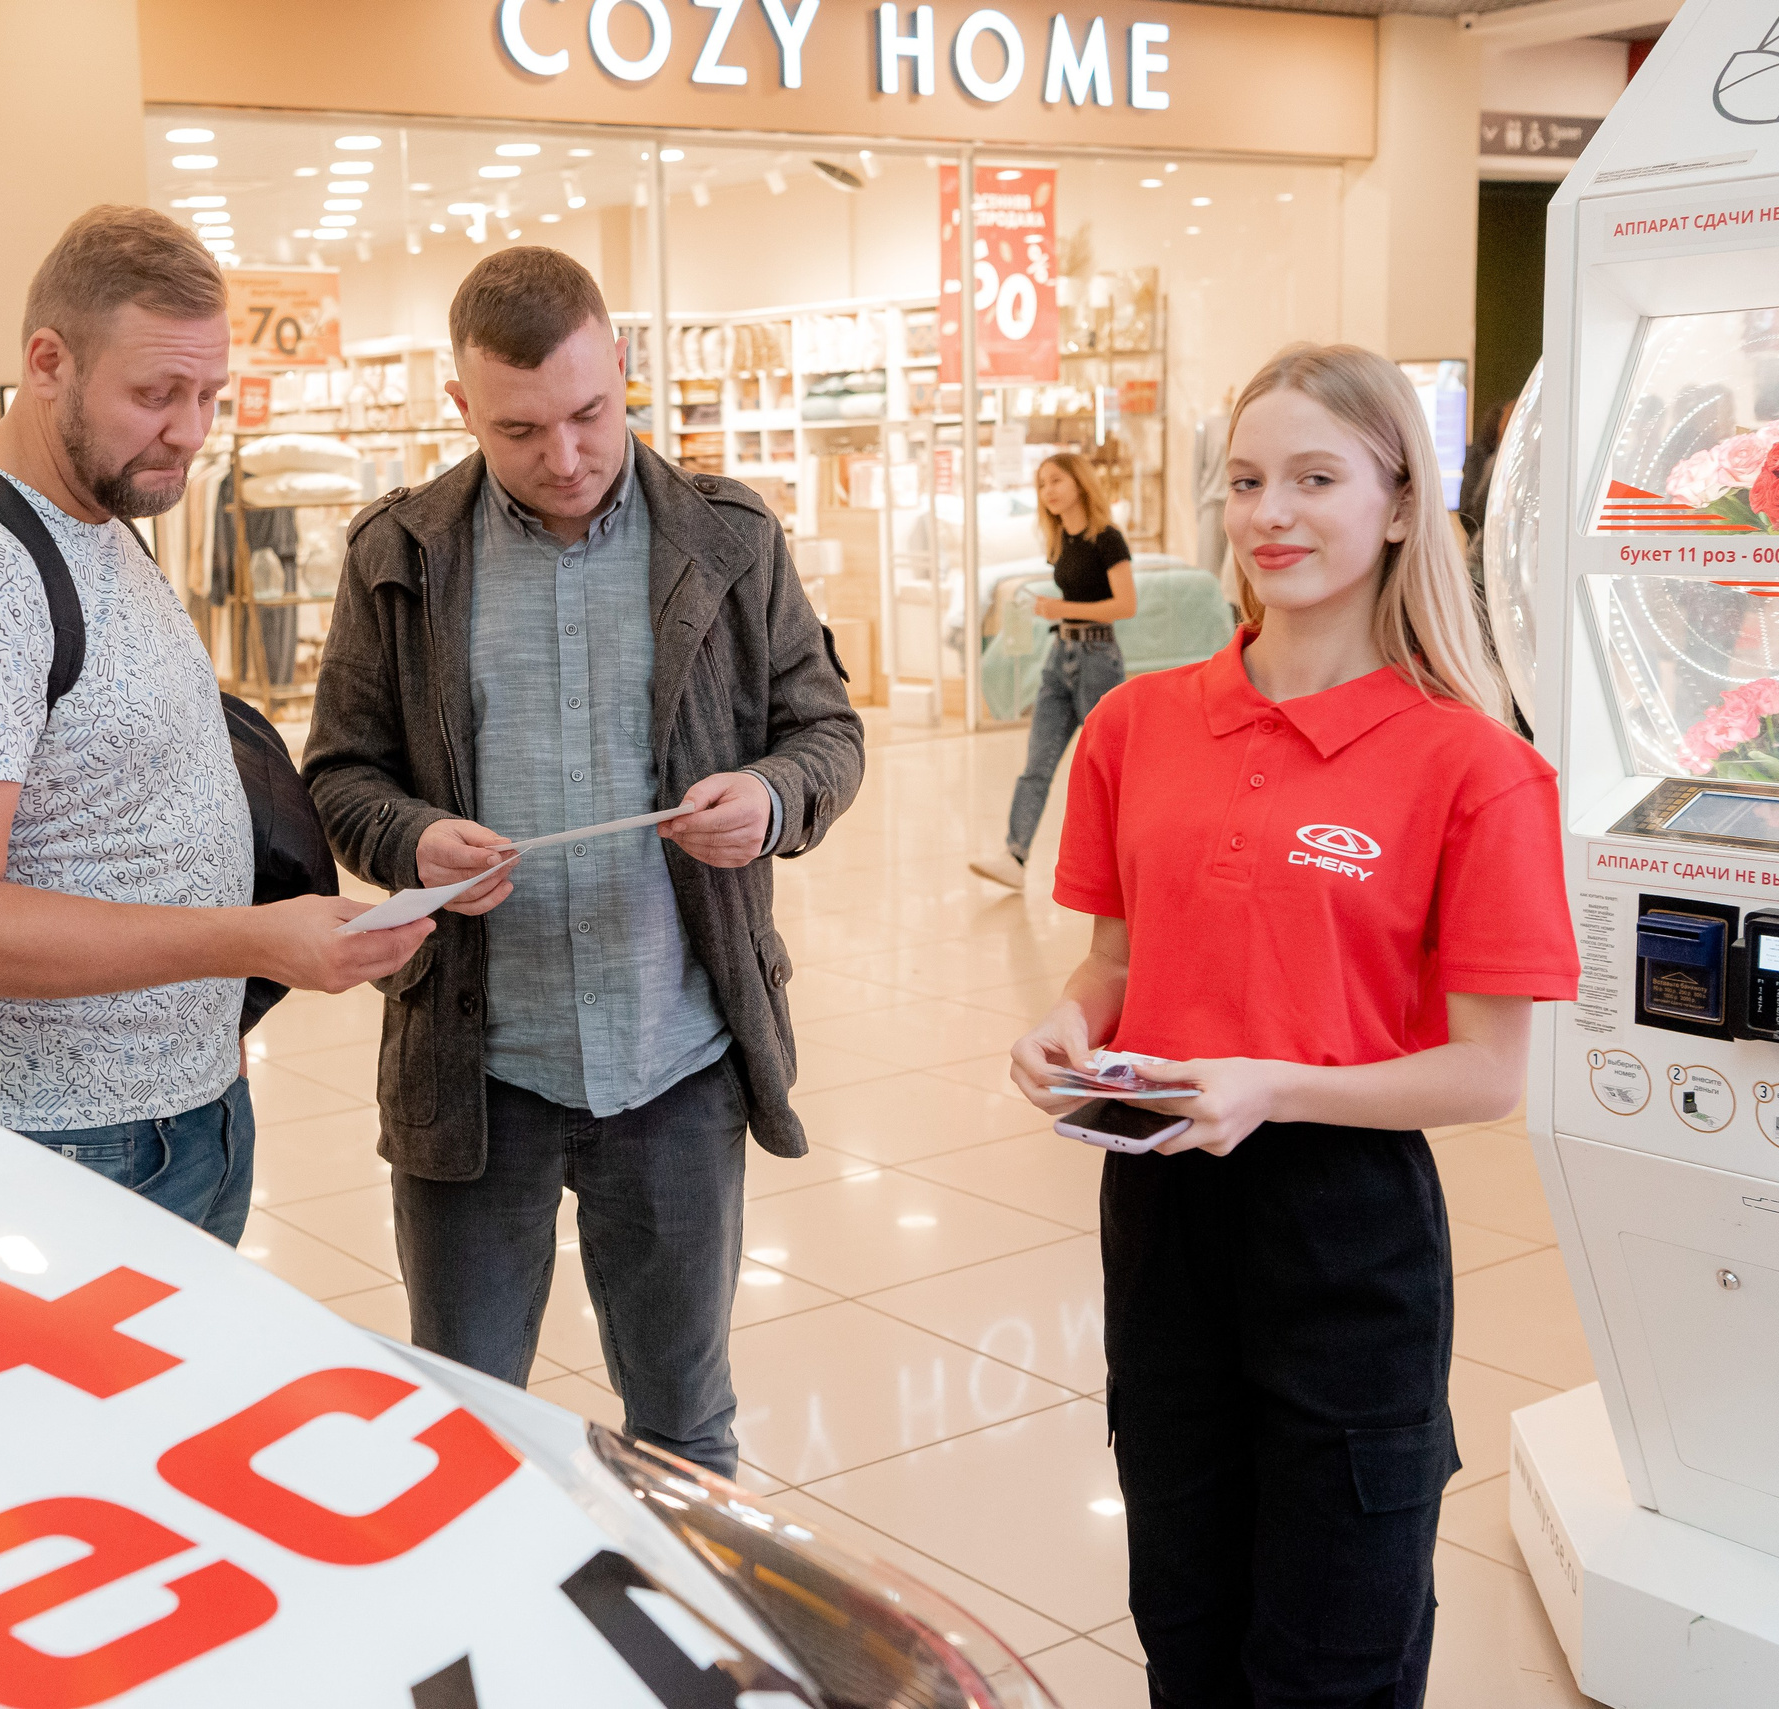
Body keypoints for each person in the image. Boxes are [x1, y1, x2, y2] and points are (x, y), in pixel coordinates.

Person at [1004, 343, 1578, 1709]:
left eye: (1316, 477)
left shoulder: (1475, 765)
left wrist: (1275, 1086)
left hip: (1345, 1235)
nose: (1272, 513)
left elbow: (1488, 1072)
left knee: (1333, 1649)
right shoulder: (1142, 725)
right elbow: (1114, 961)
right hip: (1160, 1220)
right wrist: (1066, 1025)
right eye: (1248, 479)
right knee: (1187, 1619)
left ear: (1396, 502)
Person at [303, 247, 864, 1479]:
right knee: (464, 1426)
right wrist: (411, 837)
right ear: (458, 409)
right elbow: (339, 775)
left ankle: (683, 1668)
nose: (564, 455)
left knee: (681, 1429)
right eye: (519, 430)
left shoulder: (726, 536)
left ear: (624, 368)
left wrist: (768, 801)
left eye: (588, 414)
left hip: (677, 1062)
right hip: (477, 1072)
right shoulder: (396, 554)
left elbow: (826, 733)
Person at [0, 205, 430, 1244]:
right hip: (62, 1146)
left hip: (178, 1112)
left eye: (208, 395)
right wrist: (248, 941)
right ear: (48, 362)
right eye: (156, 394)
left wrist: (205, 1025)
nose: (192, 430)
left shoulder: (101, 520)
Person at [970, 453, 1134, 891]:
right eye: (1042, 484)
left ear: (1080, 483)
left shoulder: (1108, 538)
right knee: (1036, 764)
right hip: (1059, 655)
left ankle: (1127, 863)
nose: (1049, 491)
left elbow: (1126, 605)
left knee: (1106, 773)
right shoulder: (1060, 538)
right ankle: (1015, 855)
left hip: (1098, 658)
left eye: (1056, 480)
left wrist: (1061, 608)